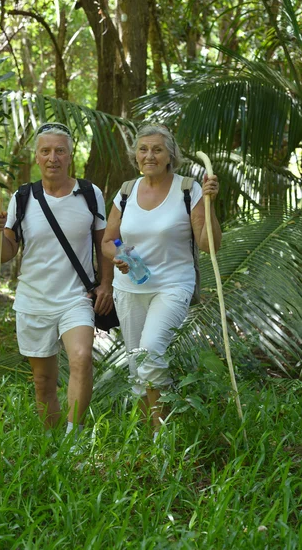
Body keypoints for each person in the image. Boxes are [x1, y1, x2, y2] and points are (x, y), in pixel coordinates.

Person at [0, 123, 113, 442]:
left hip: (76, 298)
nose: (52, 157)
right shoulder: (22, 197)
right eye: (46, 151)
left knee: (82, 358)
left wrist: (106, 285)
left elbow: (105, 243)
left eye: (60, 150)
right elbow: (7, 253)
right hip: (34, 300)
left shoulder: (90, 194)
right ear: (37, 156)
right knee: (43, 383)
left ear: (71, 155)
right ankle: (52, 444)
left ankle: (74, 443)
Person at [101, 123, 222, 440]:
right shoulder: (126, 191)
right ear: (135, 155)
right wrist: (120, 256)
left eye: (157, 149)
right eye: (143, 149)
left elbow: (209, 244)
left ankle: (162, 439)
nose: (149, 155)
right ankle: (146, 438)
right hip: (129, 288)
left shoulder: (188, 189)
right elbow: (108, 240)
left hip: (172, 285)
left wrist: (211, 204)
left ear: (171, 155)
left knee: (151, 352)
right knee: (137, 367)